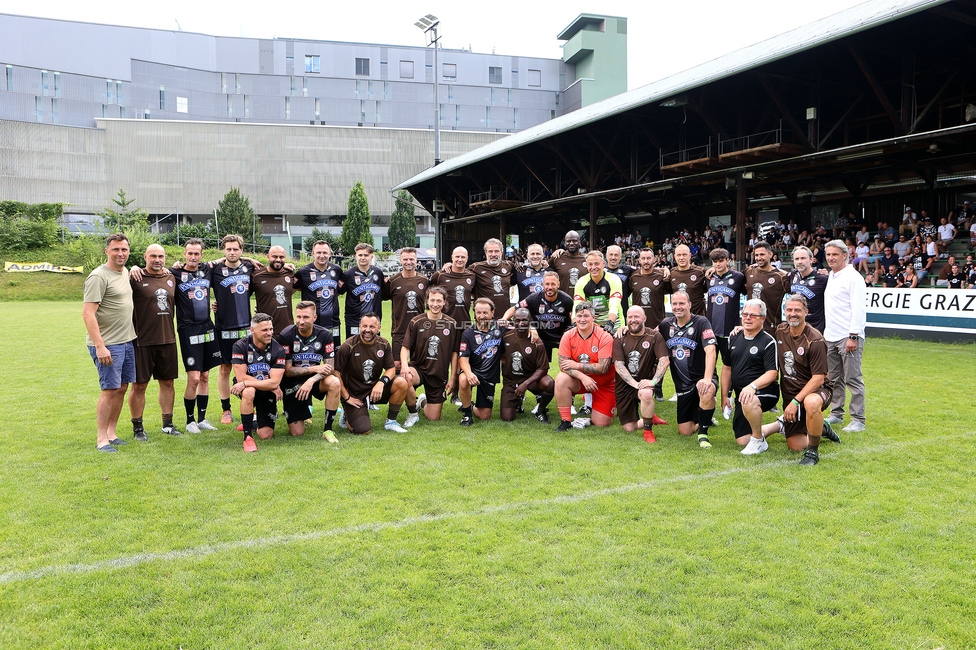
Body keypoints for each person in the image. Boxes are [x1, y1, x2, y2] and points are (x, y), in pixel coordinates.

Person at [760, 294, 839, 465]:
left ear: (806, 312)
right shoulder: (780, 331)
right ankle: (822, 428)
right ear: (784, 311)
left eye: (797, 310)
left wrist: (796, 402)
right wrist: (740, 329)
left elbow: (818, 379)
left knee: (810, 403)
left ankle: (812, 452)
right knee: (794, 445)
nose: (793, 314)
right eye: (789, 310)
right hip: (791, 395)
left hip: (817, 390)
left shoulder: (815, 339)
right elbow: (759, 333)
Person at [82, 234, 138, 452]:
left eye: (124, 249)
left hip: (126, 341)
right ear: (107, 251)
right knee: (109, 389)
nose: (120, 253)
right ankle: (101, 439)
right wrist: (100, 346)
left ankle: (112, 433)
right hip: (108, 344)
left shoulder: (124, 271)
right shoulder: (98, 276)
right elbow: (88, 314)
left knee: (122, 387)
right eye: (115, 249)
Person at [128, 244, 182, 440]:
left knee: (167, 382)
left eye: (160, 256)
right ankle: (138, 428)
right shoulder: (135, 278)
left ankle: (167, 424)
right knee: (140, 385)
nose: (157, 260)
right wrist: (132, 267)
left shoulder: (170, 277)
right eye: (153, 256)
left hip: (167, 338)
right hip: (142, 340)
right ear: (145, 257)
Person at [170, 238, 222, 433]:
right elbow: (153, 270)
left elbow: (229, 257)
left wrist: (251, 259)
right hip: (188, 329)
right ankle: (189, 420)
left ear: (201, 255)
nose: (193, 257)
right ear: (184, 254)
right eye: (189, 253)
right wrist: (134, 267)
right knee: (193, 378)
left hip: (207, 327)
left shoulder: (207, 270)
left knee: (205, 376)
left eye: (196, 253)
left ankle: (202, 419)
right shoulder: (175, 273)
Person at [333, 312, 410, 435]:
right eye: (364, 326)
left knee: (401, 382)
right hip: (355, 395)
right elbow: (335, 372)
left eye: (372, 327)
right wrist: (347, 397)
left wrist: (381, 383)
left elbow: (390, 369)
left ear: (379, 328)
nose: (367, 330)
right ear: (360, 326)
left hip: (374, 390)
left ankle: (391, 422)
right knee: (363, 430)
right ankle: (347, 413)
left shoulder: (384, 344)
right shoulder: (348, 346)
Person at [659, 291, 718, 448]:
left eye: (682, 303)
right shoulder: (666, 325)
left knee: (707, 390)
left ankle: (703, 433)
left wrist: (707, 378)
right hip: (683, 386)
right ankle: (703, 414)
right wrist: (624, 329)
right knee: (685, 431)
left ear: (690, 305)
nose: (678, 307)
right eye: (675, 304)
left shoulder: (701, 322)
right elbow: (649, 335)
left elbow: (711, 350)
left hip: (701, 378)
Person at [723, 299, 780, 454]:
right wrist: (725, 395)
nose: (748, 318)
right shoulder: (733, 337)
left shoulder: (768, 341)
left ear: (763, 318)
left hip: (765, 391)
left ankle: (759, 441)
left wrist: (752, 387)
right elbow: (727, 368)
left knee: (749, 400)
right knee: (742, 440)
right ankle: (779, 426)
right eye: (745, 314)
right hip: (742, 395)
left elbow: (772, 373)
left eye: (753, 315)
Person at [212, 234, 258, 425]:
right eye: (228, 249)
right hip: (224, 327)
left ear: (241, 250)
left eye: (236, 249)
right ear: (223, 250)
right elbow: (194, 265)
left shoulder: (249, 268)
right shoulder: (214, 269)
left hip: (246, 328)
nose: (232, 252)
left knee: (249, 369)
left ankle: (252, 410)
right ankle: (226, 410)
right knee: (225, 368)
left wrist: (250, 259)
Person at [279, 301, 341, 439]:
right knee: (297, 433)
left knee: (334, 382)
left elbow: (329, 368)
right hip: (293, 383)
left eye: (306, 317)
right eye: (299, 317)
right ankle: (302, 411)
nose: (301, 321)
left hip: (315, 380)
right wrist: (313, 368)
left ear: (314, 317)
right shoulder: (286, 335)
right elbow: (288, 371)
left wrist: (311, 380)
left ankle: (328, 430)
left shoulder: (325, 335)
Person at [823, 239, 867, 433]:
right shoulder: (832, 276)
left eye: (834, 254)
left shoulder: (853, 277)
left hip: (847, 336)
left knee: (853, 378)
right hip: (830, 336)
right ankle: (836, 413)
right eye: (828, 254)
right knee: (834, 378)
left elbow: (858, 309)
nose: (831, 258)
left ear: (844, 255)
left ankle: (858, 419)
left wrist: (854, 336)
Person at [553, 301, 616, 431]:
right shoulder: (568, 335)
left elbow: (603, 368)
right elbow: (563, 365)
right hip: (581, 380)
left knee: (601, 423)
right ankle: (565, 421)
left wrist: (577, 365)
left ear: (594, 317)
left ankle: (602, 400)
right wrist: (583, 377)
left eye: (586, 316)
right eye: (579, 316)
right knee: (561, 379)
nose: (582, 319)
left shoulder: (604, 336)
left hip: (603, 383)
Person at [400, 286, 461, 422]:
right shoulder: (416, 321)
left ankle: (422, 401)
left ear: (444, 302)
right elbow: (405, 347)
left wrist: (452, 379)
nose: (435, 304)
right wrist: (404, 365)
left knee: (433, 418)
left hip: (438, 373)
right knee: (406, 378)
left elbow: (454, 353)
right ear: (427, 301)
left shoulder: (451, 324)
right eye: (432, 300)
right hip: (418, 368)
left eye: (439, 301)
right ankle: (412, 414)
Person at [230, 312, 287, 452]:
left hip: (267, 390)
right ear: (252, 330)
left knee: (266, 435)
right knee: (249, 391)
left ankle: (250, 422)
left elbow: (274, 382)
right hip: (250, 388)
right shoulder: (240, 346)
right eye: (265, 330)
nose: (269, 333)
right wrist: (248, 384)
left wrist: (270, 385)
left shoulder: (278, 349)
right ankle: (248, 437)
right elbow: (241, 377)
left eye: (271, 329)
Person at [613, 306, 669, 443]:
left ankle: (648, 432)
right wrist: (634, 384)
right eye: (630, 317)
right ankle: (649, 416)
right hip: (625, 387)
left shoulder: (654, 336)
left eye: (637, 317)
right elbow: (618, 366)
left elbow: (664, 360)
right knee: (629, 428)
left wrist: (653, 382)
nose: (633, 320)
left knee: (646, 394)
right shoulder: (620, 337)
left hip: (644, 384)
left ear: (644, 318)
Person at [706, 247, 746, 418]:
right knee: (709, 367)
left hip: (730, 332)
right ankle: (710, 400)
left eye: (721, 260)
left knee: (730, 366)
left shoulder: (738, 277)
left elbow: (749, 291)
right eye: (715, 262)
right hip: (711, 332)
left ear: (728, 260)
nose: (718, 264)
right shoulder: (708, 277)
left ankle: (728, 398)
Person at [500, 307, 554, 423]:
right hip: (511, 381)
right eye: (517, 320)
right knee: (507, 418)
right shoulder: (505, 337)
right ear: (513, 321)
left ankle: (541, 410)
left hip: (530, 379)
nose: (521, 323)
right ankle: (517, 402)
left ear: (530, 321)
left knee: (549, 383)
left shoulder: (537, 342)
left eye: (524, 320)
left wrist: (525, 383)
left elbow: (543, 368)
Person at [506, 270, 574, 361]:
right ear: (543, 285)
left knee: (567, 364)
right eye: (547, 284)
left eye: (553, 284)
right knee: (541, 365)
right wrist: (504, 318)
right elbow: (515, 308)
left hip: (561, 336)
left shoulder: (567, 300)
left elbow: (574, 319)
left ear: (558, 284)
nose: (550, 287)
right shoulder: (534, 298)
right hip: (542, 337)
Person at [458, 298, 505, 426]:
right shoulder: (468, 333)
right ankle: (467, 414)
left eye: (485, 313)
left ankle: (470, 404)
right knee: (463, 379)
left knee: (485, 416)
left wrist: (532, 329)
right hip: (473, 372)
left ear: (492, 312)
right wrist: (468, 373)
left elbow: (521, 326)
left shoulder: (501, 327)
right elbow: (463, 358)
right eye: (478, 313)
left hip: (489, 375)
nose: (481, 316)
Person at [383, 247, 428, 371]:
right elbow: (380, 296)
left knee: (418, 364)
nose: (408, 262)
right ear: (401, 260)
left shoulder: (424, 281)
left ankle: (414, 389)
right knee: (397, 365)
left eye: (411, 259)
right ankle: (400, 389)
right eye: (405, 259)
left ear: (416, 260)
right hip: (399, 331)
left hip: (419, 330)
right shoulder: (393, 281)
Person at [294, 240, 343, 340]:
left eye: (325, 253)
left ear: (330, 253)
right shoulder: (303, 272)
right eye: (318, 252)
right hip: (311, 322)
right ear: (313, 253)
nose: (322, 255)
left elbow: (338, 291)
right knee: (313, 353)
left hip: (333, 321)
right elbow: (292, 289)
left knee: (334, 352)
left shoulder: (337, 270)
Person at [251, 245, 296, 341]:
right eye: (274, 256)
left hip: (288, 330)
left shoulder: (290, 274)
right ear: (268, 256)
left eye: (281, 257)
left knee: (287, 356)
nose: (278, 259)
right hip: (265, 330)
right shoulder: (256, 276)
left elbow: (298, 288)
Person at [341, 242, 384, 338]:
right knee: (353, 348)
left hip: (374, 320)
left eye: (366, 255)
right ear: (355, 256)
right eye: (360, 255)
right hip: (354, 320)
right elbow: (338, 292)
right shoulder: (348, 274)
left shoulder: (378, 272)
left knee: (373, 349)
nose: (363, 257)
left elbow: (384, 292)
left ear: (371, 256)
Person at [744, 241, 789, 332]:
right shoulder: (748, 271)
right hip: (749, 326)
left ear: (770, 254)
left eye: (762, 254)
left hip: (770, 328)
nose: (759, 258)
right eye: (756, 255)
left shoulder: (781, 276)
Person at [467, 238, 516, 319]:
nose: (493, 254)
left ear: (501, 252)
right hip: (484, 319)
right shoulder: (476, 267)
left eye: (496, 251)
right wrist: (449, 266)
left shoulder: (509, 266)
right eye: (490, 251)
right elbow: (460, 273)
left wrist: (544, 264)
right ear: (486, 252)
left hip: (505, 318)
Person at [430, 246, 476, 328]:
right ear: (452, 257)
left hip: (464, 323)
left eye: (463, 257)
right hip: (443, 323)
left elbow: (474, 293)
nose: (460, 259)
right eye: (457, 256)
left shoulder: (472, 276)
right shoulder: (440, 275)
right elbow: (428, 292)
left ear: (467, 258)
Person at [605, 244, 634, 311]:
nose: (613, 257)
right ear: (606, 256)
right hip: (604, 312)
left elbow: (643, 270)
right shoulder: (601, 271)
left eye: (616, 255)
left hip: (622, 311)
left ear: (620, 256)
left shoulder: (628, 270)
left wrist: (663, 269)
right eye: (611, 254)